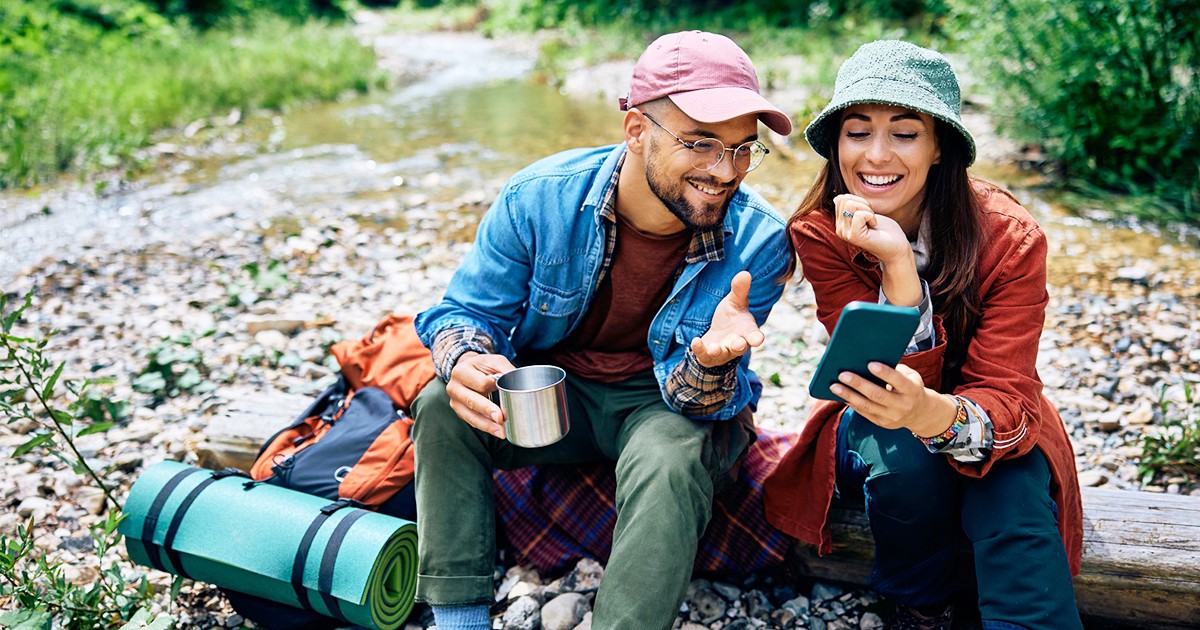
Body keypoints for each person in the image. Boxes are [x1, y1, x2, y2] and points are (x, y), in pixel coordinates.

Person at [410, 30, 794, 630]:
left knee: (672, 460)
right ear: (637, 131)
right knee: (440, 404)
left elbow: (698, 401)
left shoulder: (761, 242)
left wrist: (713, 363)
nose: (727, 171)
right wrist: (462, 357)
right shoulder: (537, 200)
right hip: (559, 399)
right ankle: (458, 616)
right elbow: (462, 313)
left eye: (744, 148)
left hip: (664, 404)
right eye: (701, 144)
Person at [762, 41, 1084, 630]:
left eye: (905, 134)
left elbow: (1008, 390)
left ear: (940, 147)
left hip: (996, 415)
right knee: (901, 457)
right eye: (857, 132)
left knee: (1012, 495)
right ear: (836, 144)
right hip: (876, 413)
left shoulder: (1012, 238)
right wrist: (900, 279)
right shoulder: (819, 232)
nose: (876, 155)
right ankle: (918, 608)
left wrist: (939, 414)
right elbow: (865, 376)